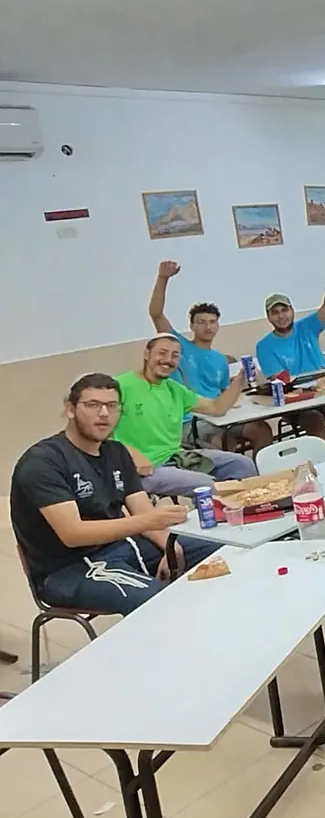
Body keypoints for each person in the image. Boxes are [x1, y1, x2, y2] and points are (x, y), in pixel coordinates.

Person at [10, 373, 221, 615]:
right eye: (93, 405)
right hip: (68, 569)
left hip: (122, 546)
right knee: (163, 604)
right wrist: (149, 520)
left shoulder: (116, 452)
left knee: (223, 550)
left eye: (112, 406)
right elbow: (73, 534)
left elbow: (141, 508)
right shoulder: (43, 462)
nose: (104, 414)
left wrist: (170, 546)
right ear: (70, 409)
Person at [148, 260, 274, 453]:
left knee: (262, 430)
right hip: (192, 421)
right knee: (223, 442)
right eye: (201, 322)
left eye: (212, 322)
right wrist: (163, 278)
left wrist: (242, 383)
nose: (208, 327)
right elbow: (156, 314)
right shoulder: (179, 347)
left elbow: (224, 394)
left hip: (221, 416)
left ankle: (258, 470)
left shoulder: (220, 360)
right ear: (192, 325)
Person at [112, 334, 255, 497]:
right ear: (146, 354)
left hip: (177, 457)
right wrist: (131, 454)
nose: (168, 360)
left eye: (175, 355)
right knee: (207, 485)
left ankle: (248, 508)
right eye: (162, 353)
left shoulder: (174, 389)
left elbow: (217, 408)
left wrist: (239, 381)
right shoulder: (120, 386)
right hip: (145, 468)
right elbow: (98, 432)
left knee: (242, 464)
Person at [255, 255, 325, 445]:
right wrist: (311, 388)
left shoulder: (307, 327)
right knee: (314, 419)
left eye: (284, 310)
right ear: (268, 317)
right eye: (275, 312)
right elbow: (282, 383)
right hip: (297, 402)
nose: (281, 316)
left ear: (292, 311)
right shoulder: (264, 346)